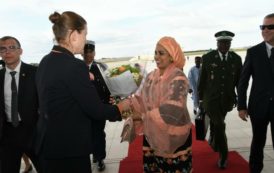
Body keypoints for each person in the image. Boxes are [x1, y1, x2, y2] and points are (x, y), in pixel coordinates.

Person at [35, 11, 127, 173]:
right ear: (74, 35)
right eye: (85, 34)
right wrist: (122, 108)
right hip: (69, 149)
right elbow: (96, 110)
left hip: (48, 145)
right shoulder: (74, 66)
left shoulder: (46, 60)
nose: (85, 40)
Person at [120, 36, 192, 173]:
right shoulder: (151, 76)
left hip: (173, 139)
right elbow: (141, 100)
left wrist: (142, 116)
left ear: (172, 56)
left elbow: (172, 111)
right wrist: (124, 108)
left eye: (161, 53)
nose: (157, 57)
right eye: (155, 53)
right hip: (152, 136)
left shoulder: (179, 78)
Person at [197, 31, 242, 169]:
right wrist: (200, 101)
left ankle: (214, 138)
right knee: (220, 125)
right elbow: (202, 80)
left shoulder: (236, 59)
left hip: (227, 100)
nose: (224, 45)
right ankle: (224, 156)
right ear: (217, 44)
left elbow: (240, 81)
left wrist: (241, 100)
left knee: (218, 124)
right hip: (211, 100)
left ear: (230, 44)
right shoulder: (208, 58)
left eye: (227, 43)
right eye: (222, 43)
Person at [237, 13, 274, 173]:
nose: (265, 30)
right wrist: (241, 106)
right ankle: (255, 170)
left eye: (270, 27)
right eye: (262, 27)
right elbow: (243, 82)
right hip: (258, 107)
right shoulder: (253, 52)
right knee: (258, 142)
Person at [0, 36, 42, 173]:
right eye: (3, 49)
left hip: (33, 133)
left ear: (20, 51)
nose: (7, 52)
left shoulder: (35, 73)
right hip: (7, 135)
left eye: (12, 48)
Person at [82, 40, 110, 171]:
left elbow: (110, 84)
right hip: (83, 109)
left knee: (98, 132)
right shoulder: (77, 67)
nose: (88, 55)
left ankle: (99, 158)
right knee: (86, 134)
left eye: (90, 52)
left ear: (94, 53)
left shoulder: (101, 67)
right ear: (82, 53)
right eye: (86, 52)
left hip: (100, 107)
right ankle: (92, 154)